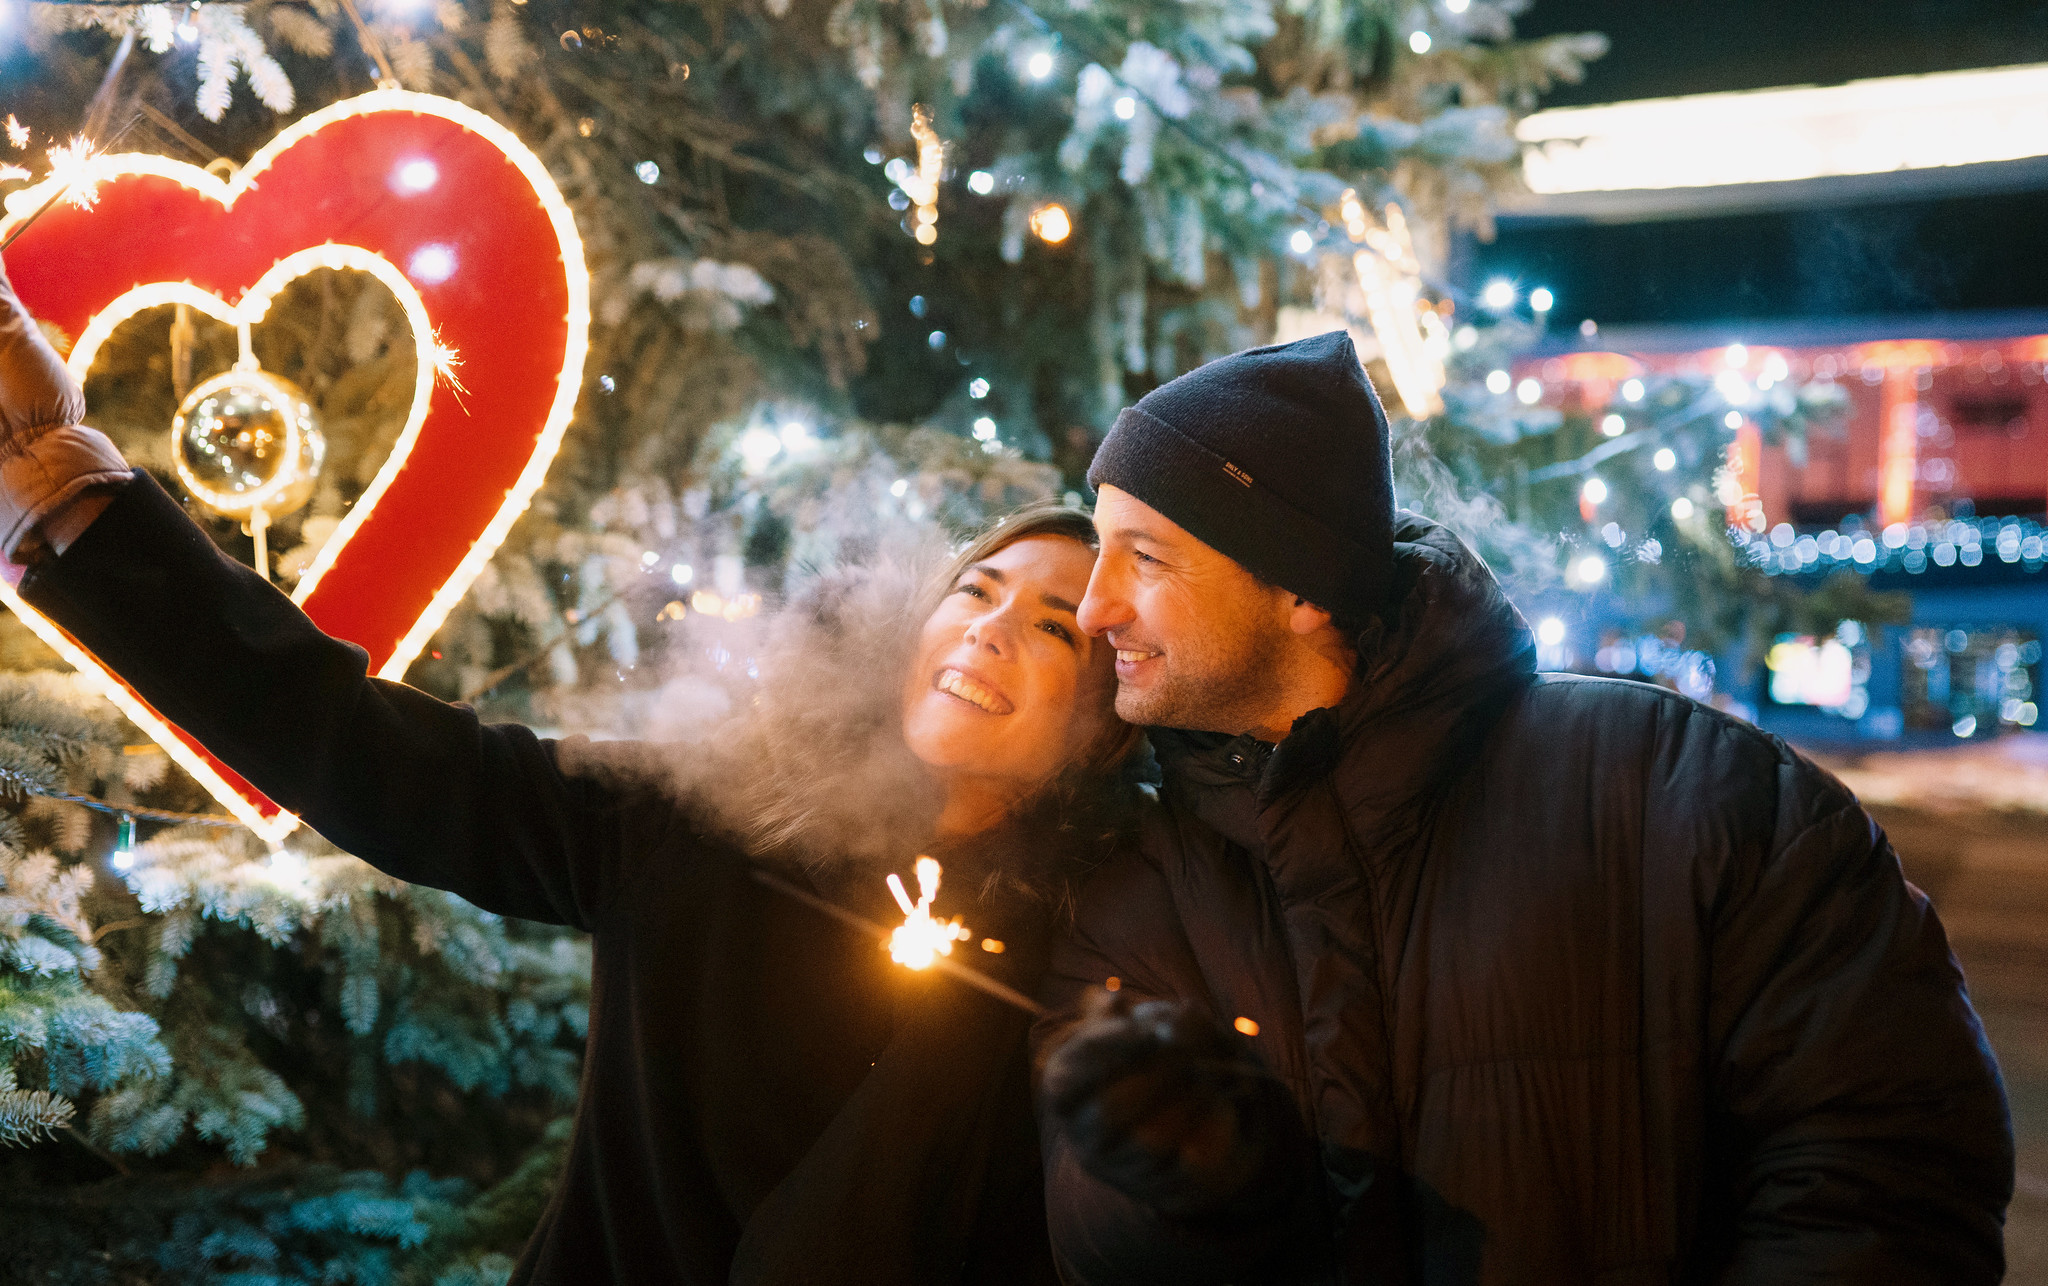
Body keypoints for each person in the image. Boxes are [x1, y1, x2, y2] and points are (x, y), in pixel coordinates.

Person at [0, 263, 1142, 1285]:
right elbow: (358, 748)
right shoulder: (712, 817)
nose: (988, 632)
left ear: (1105, 721)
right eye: (976, 591)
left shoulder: (1097, 947)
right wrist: (76, 499)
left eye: (1052, 628)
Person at [1032, 330, 2015, 1285]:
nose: (1093, 606)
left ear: (1300, 586)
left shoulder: (1689, 791)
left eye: (1146, 558)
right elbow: (1095, 1245)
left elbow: (1892, 1156)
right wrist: (1191, 1184)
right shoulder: (1136, 876)